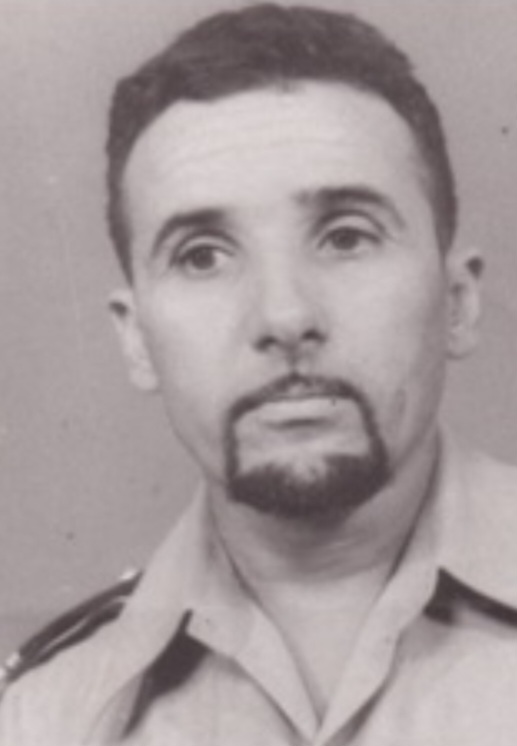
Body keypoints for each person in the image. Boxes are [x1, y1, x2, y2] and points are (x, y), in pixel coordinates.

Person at [1, 3, 516, 744]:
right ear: (136, 339)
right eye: (202, 256)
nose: (284, 316)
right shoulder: (41, 720)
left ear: (458, 302)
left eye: (346, 238)